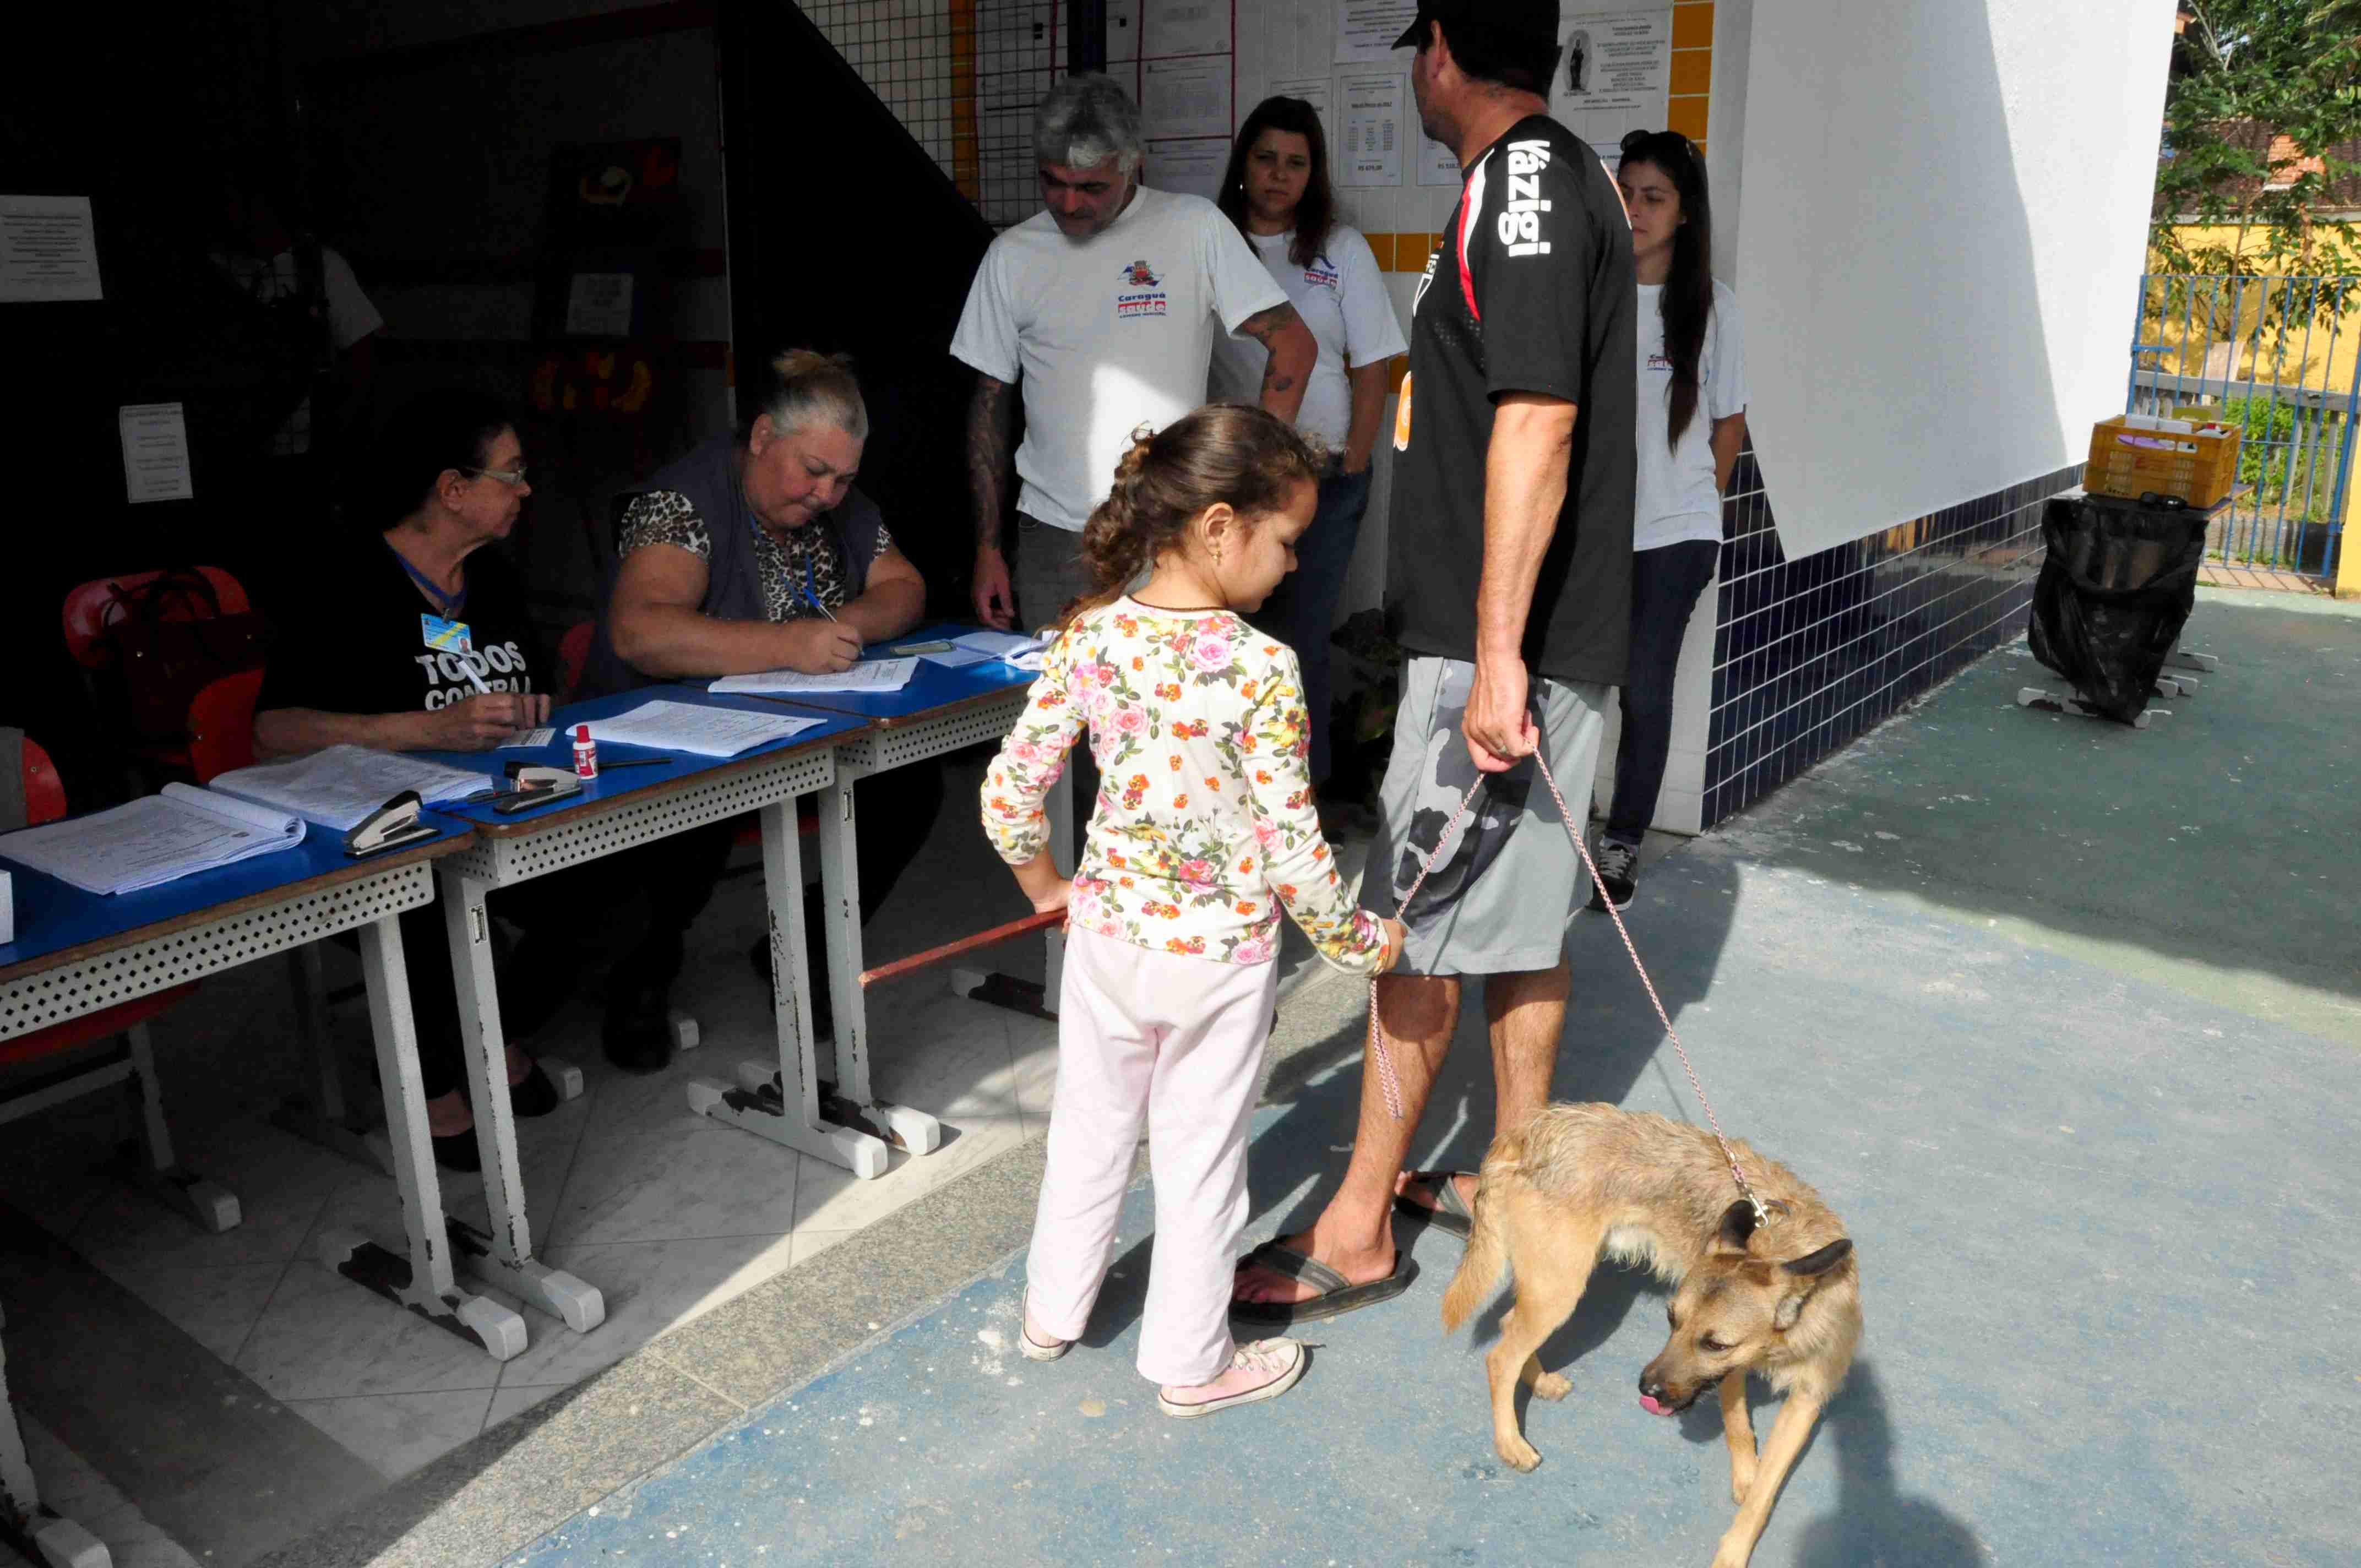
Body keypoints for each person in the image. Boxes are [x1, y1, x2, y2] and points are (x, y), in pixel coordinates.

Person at [1231, 0, 1638, 1321]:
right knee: (1519, 934)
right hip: (1523, 642)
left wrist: (1496, 656)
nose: (1414, 67)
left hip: (1495, 651)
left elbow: (1536, 417)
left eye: (1420, 43)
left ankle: (1354, 1225)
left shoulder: (1520, 182)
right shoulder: (1555, 176)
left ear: (1448, 52)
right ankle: (1519, 1186)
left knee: (1410, 933)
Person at [980, 405, 1406, 1416]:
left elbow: (1010, 791)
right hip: (1217, 963)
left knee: (1087, 1130)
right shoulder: (1260, 669)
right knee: (1201, 1160)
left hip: (1107, 940)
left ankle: (1053, 1312)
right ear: (1222, 526)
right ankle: (1188, 1362)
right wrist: (1360, 944)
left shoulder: (1091, 638)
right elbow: (1293, 851)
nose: (1296, 568)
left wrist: (1050, 890)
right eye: (1288, 542)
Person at [954, 74, 1319, 858]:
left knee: (1180, 742)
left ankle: (1182, 906)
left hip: (1174, 541)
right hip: (1056, 540)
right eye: (1053, 182)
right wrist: (990, 545)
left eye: (1092, 186)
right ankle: (1078, 927)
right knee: (1060, 749)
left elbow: (1294, 343)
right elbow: (988, 406)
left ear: (1135, 167)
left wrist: (1254, 483)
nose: (1071, 203)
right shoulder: (1012, 256)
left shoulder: (1192, 229)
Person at [580, 350, 942, 1073]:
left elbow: (905, 585)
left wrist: (847, 629)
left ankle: (802, 949)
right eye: (812, 472)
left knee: (910, 786)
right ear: (761, 436)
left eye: (843, 480)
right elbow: (640, 631)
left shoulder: (834, 504)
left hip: (794, 725)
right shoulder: (685, 500)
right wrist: (786, 645)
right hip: (671, 732)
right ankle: (641, 977)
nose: (827, 495)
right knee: (694, 821)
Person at [254, 390, 569, 1171]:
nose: (526, 490)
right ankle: (435, 1079)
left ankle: (490, 1033)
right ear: (453, 489)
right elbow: (272, 734)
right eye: (512, 473)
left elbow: (534, 687)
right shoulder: (344, 580)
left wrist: (528, 710)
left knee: (608, 880)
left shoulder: (492, 578)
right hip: (379, 826)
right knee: (422, 898)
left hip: (496, 807)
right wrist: (420, 730)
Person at [1209, 95, 1409, 814]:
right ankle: (1235, 794)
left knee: (1300, 638)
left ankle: (1306, 798)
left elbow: (1374, 364)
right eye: (1266, 158)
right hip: (1231, 481)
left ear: (1313, 174)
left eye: (1296, 163)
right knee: (1233, 635)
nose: (1278, 175)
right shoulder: (1213, 240)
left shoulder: (1339, 249)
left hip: (1321, 477)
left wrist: (1353, 462)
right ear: (1243, 164)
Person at [1593, 130, 1747, 910]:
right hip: (1593, 531)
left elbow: (1729, 424)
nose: (1636, 209)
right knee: (1576, 682)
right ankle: (1547, 837)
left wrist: (1699, 505)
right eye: (1626, 192)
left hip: (1676, 535)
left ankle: (1621, 845)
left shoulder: (1714, 306)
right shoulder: (1595, 290)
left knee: (1645, 693)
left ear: (1685, 213)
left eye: (1654, 197)